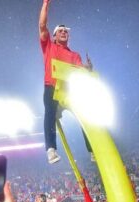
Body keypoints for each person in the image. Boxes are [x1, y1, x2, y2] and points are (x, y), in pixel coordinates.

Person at [39, 0, 93, 164]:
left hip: (69, 91)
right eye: (60, 31)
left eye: (66, 31)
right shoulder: (49, 46)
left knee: (85, 114)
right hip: (52, 87)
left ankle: (92, 150)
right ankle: (51, 150)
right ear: (54, 36)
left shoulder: (74, 55)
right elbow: (42, 26)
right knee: (49, 113)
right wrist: (46, 4)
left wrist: (87, 69)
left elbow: (79, 72)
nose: (63, 32)